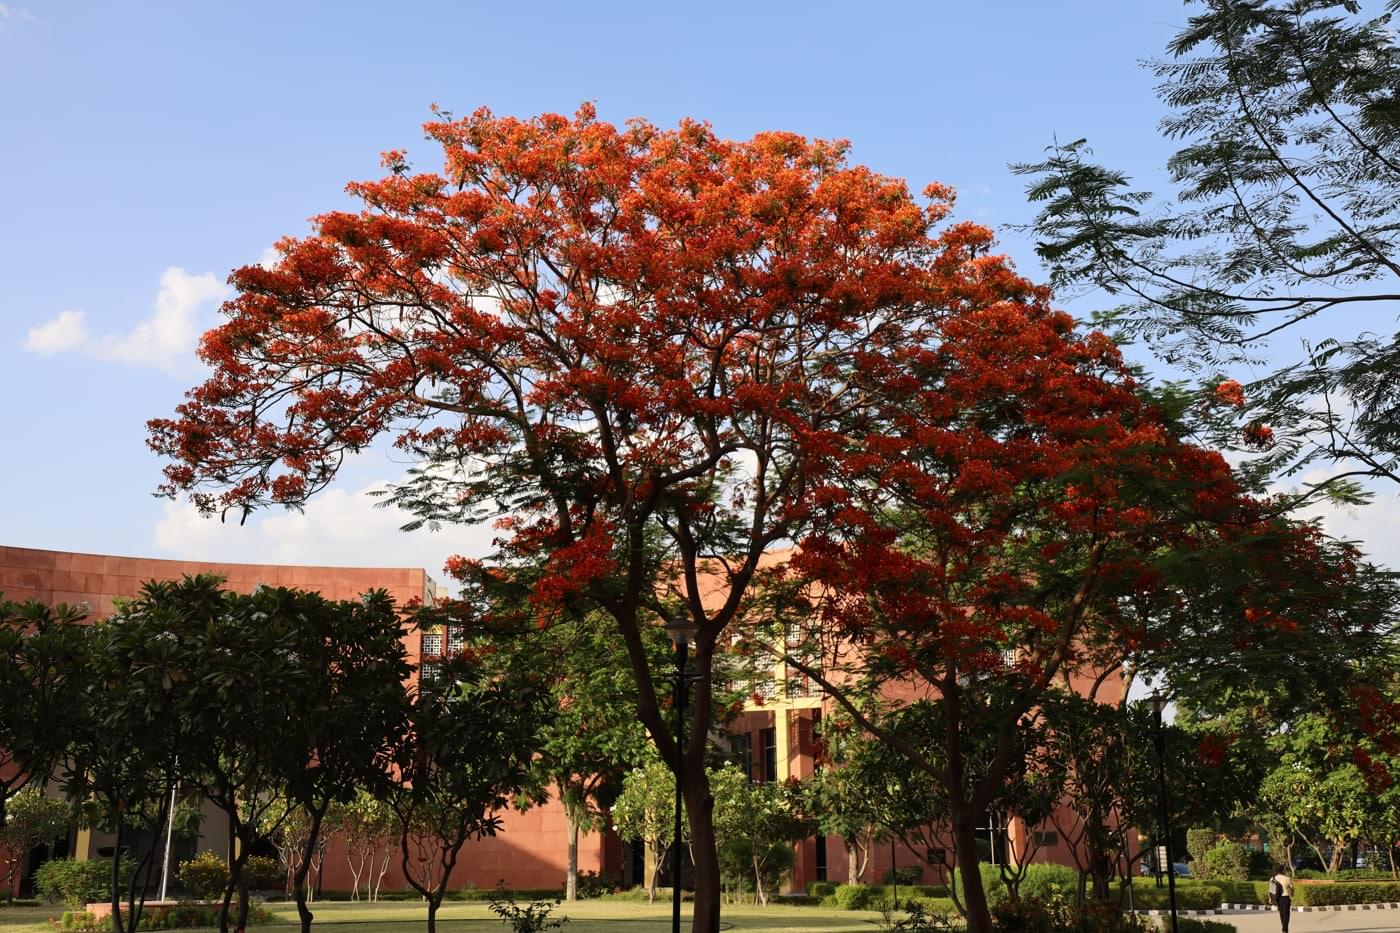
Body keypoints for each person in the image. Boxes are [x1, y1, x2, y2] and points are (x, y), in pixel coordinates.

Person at [1268, 864, 1294, 933]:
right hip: (1285, 898)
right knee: (1286, 915)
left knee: (1282, 914)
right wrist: (1292, 894)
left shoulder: (1273, 878)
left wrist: (1271, 899)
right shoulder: (1287, 878)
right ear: (1283, 870)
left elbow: (1271, 890)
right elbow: (1292, 888)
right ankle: (1285, 929)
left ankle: (1284, 928)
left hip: (1278, 899)